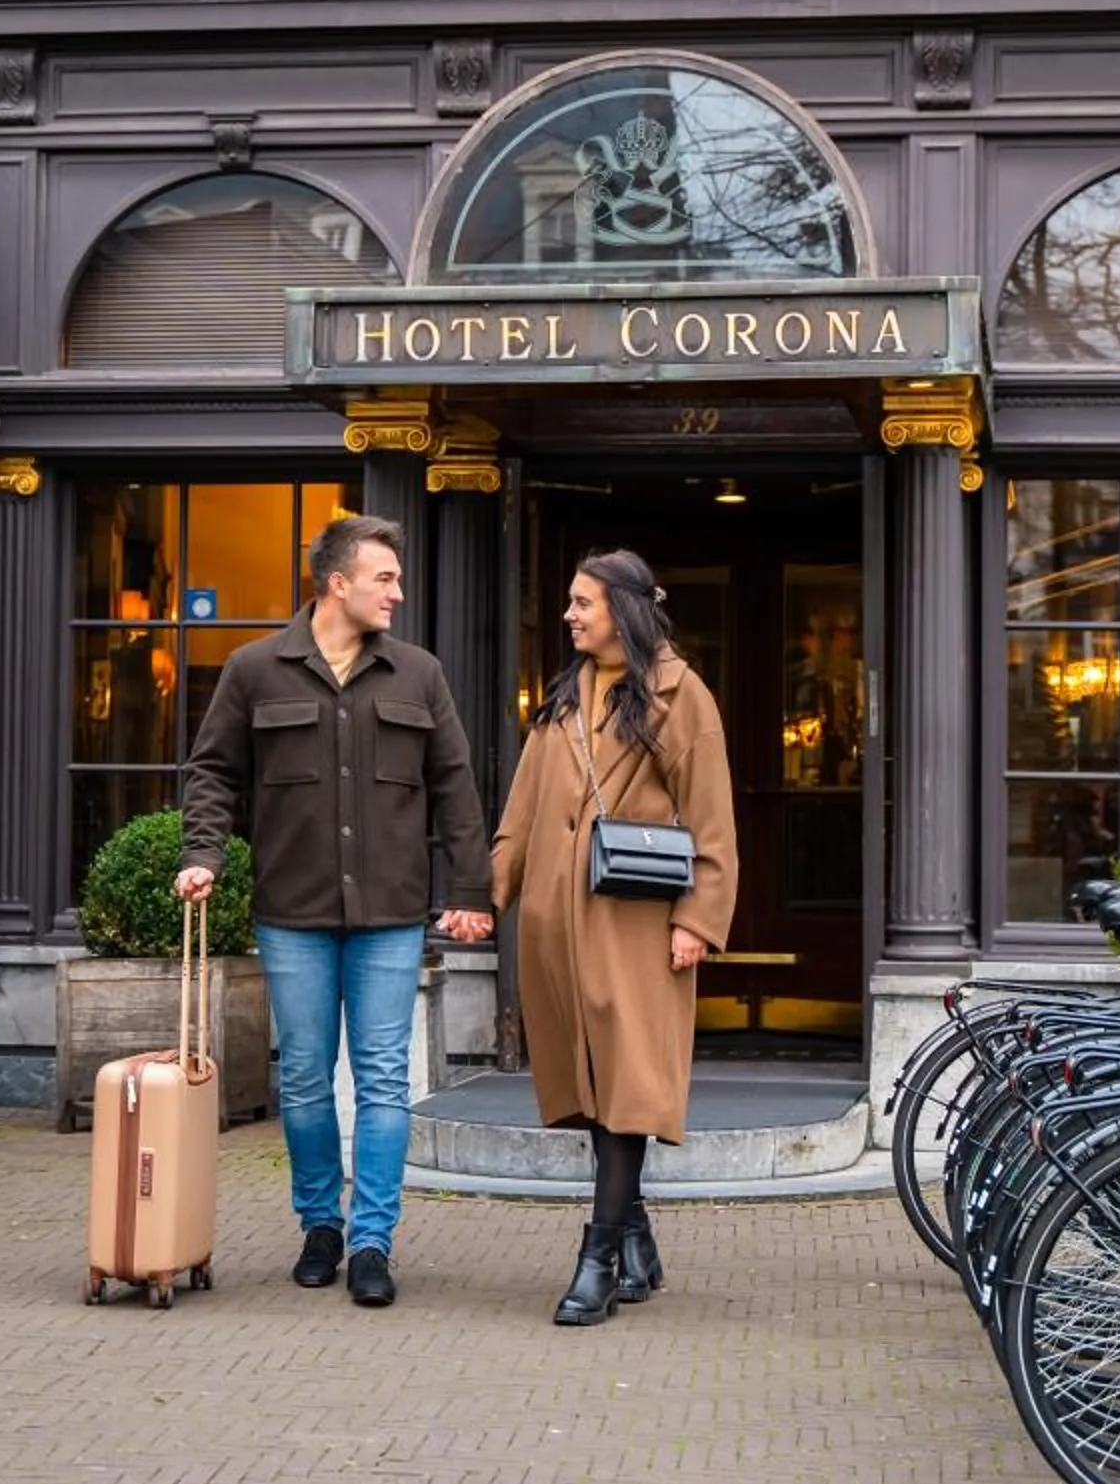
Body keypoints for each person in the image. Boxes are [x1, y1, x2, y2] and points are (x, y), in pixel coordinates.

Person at [179, 514, 494, 1309]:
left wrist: (469, 894)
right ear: (336, 583)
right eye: (383, 578)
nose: (398, 591)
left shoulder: (419, 675)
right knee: (309, 1084)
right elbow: (213, 771)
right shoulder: (255, 670)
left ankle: (372, 1240)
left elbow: (456, 789)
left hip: (390, 914)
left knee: (385, 1081)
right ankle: (320, 1224)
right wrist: (203, 855)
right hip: (292, 912)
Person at [489, 549, 738, 1327]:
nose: (569, 614)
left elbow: (713, 823)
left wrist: (697, 922)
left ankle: (596, 1257)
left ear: (622, 609)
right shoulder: (565, 697)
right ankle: (636, 1234)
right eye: (568, 601)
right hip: (558, 929)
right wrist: (482, 898)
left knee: (626, 1086)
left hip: (637, 926)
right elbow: (522, 814)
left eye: (582, 602)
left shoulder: (681, 696)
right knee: (593, 1089)